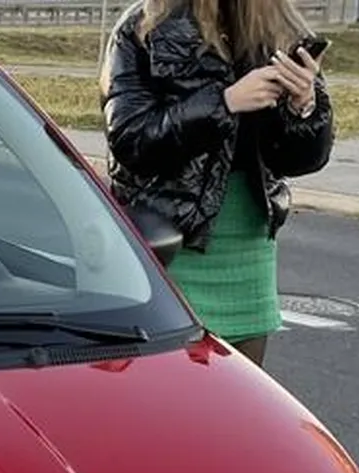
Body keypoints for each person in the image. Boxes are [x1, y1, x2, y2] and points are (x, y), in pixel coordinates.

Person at [101, 0, 334, 369]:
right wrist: (224, 103)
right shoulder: (144, 26)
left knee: (239, 407)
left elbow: (302, 160)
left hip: (248, 245)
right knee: (167, 399)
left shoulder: (278, 26)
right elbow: (130, 139)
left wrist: (303, 107)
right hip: (170, 244)